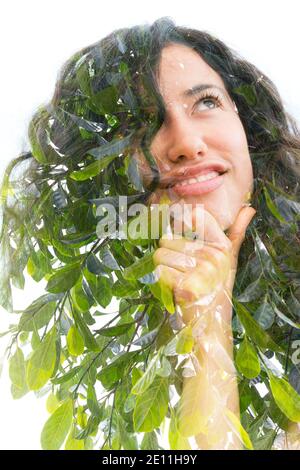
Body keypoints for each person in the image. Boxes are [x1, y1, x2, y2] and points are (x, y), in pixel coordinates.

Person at [0, 16, 299, 450]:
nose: (185, 142)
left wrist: (207, 325)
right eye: (142, 123)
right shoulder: (105, 333)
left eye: (206, 102)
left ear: (248, 128)